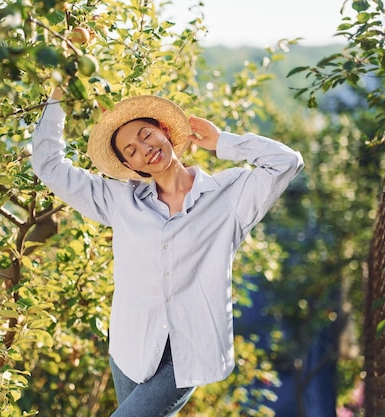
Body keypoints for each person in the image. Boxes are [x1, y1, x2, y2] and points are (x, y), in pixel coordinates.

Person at [31, 86, 304, 416]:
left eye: (146, 135)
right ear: (128, 164)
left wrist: (222, 143)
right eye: (131, 150)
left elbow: (286, 162)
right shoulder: (120, 201)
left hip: (188, 355)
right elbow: (48, 165)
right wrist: (59, 91)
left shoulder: (229, 197)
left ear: (163, 130)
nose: (145, 149)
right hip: (131, 348)